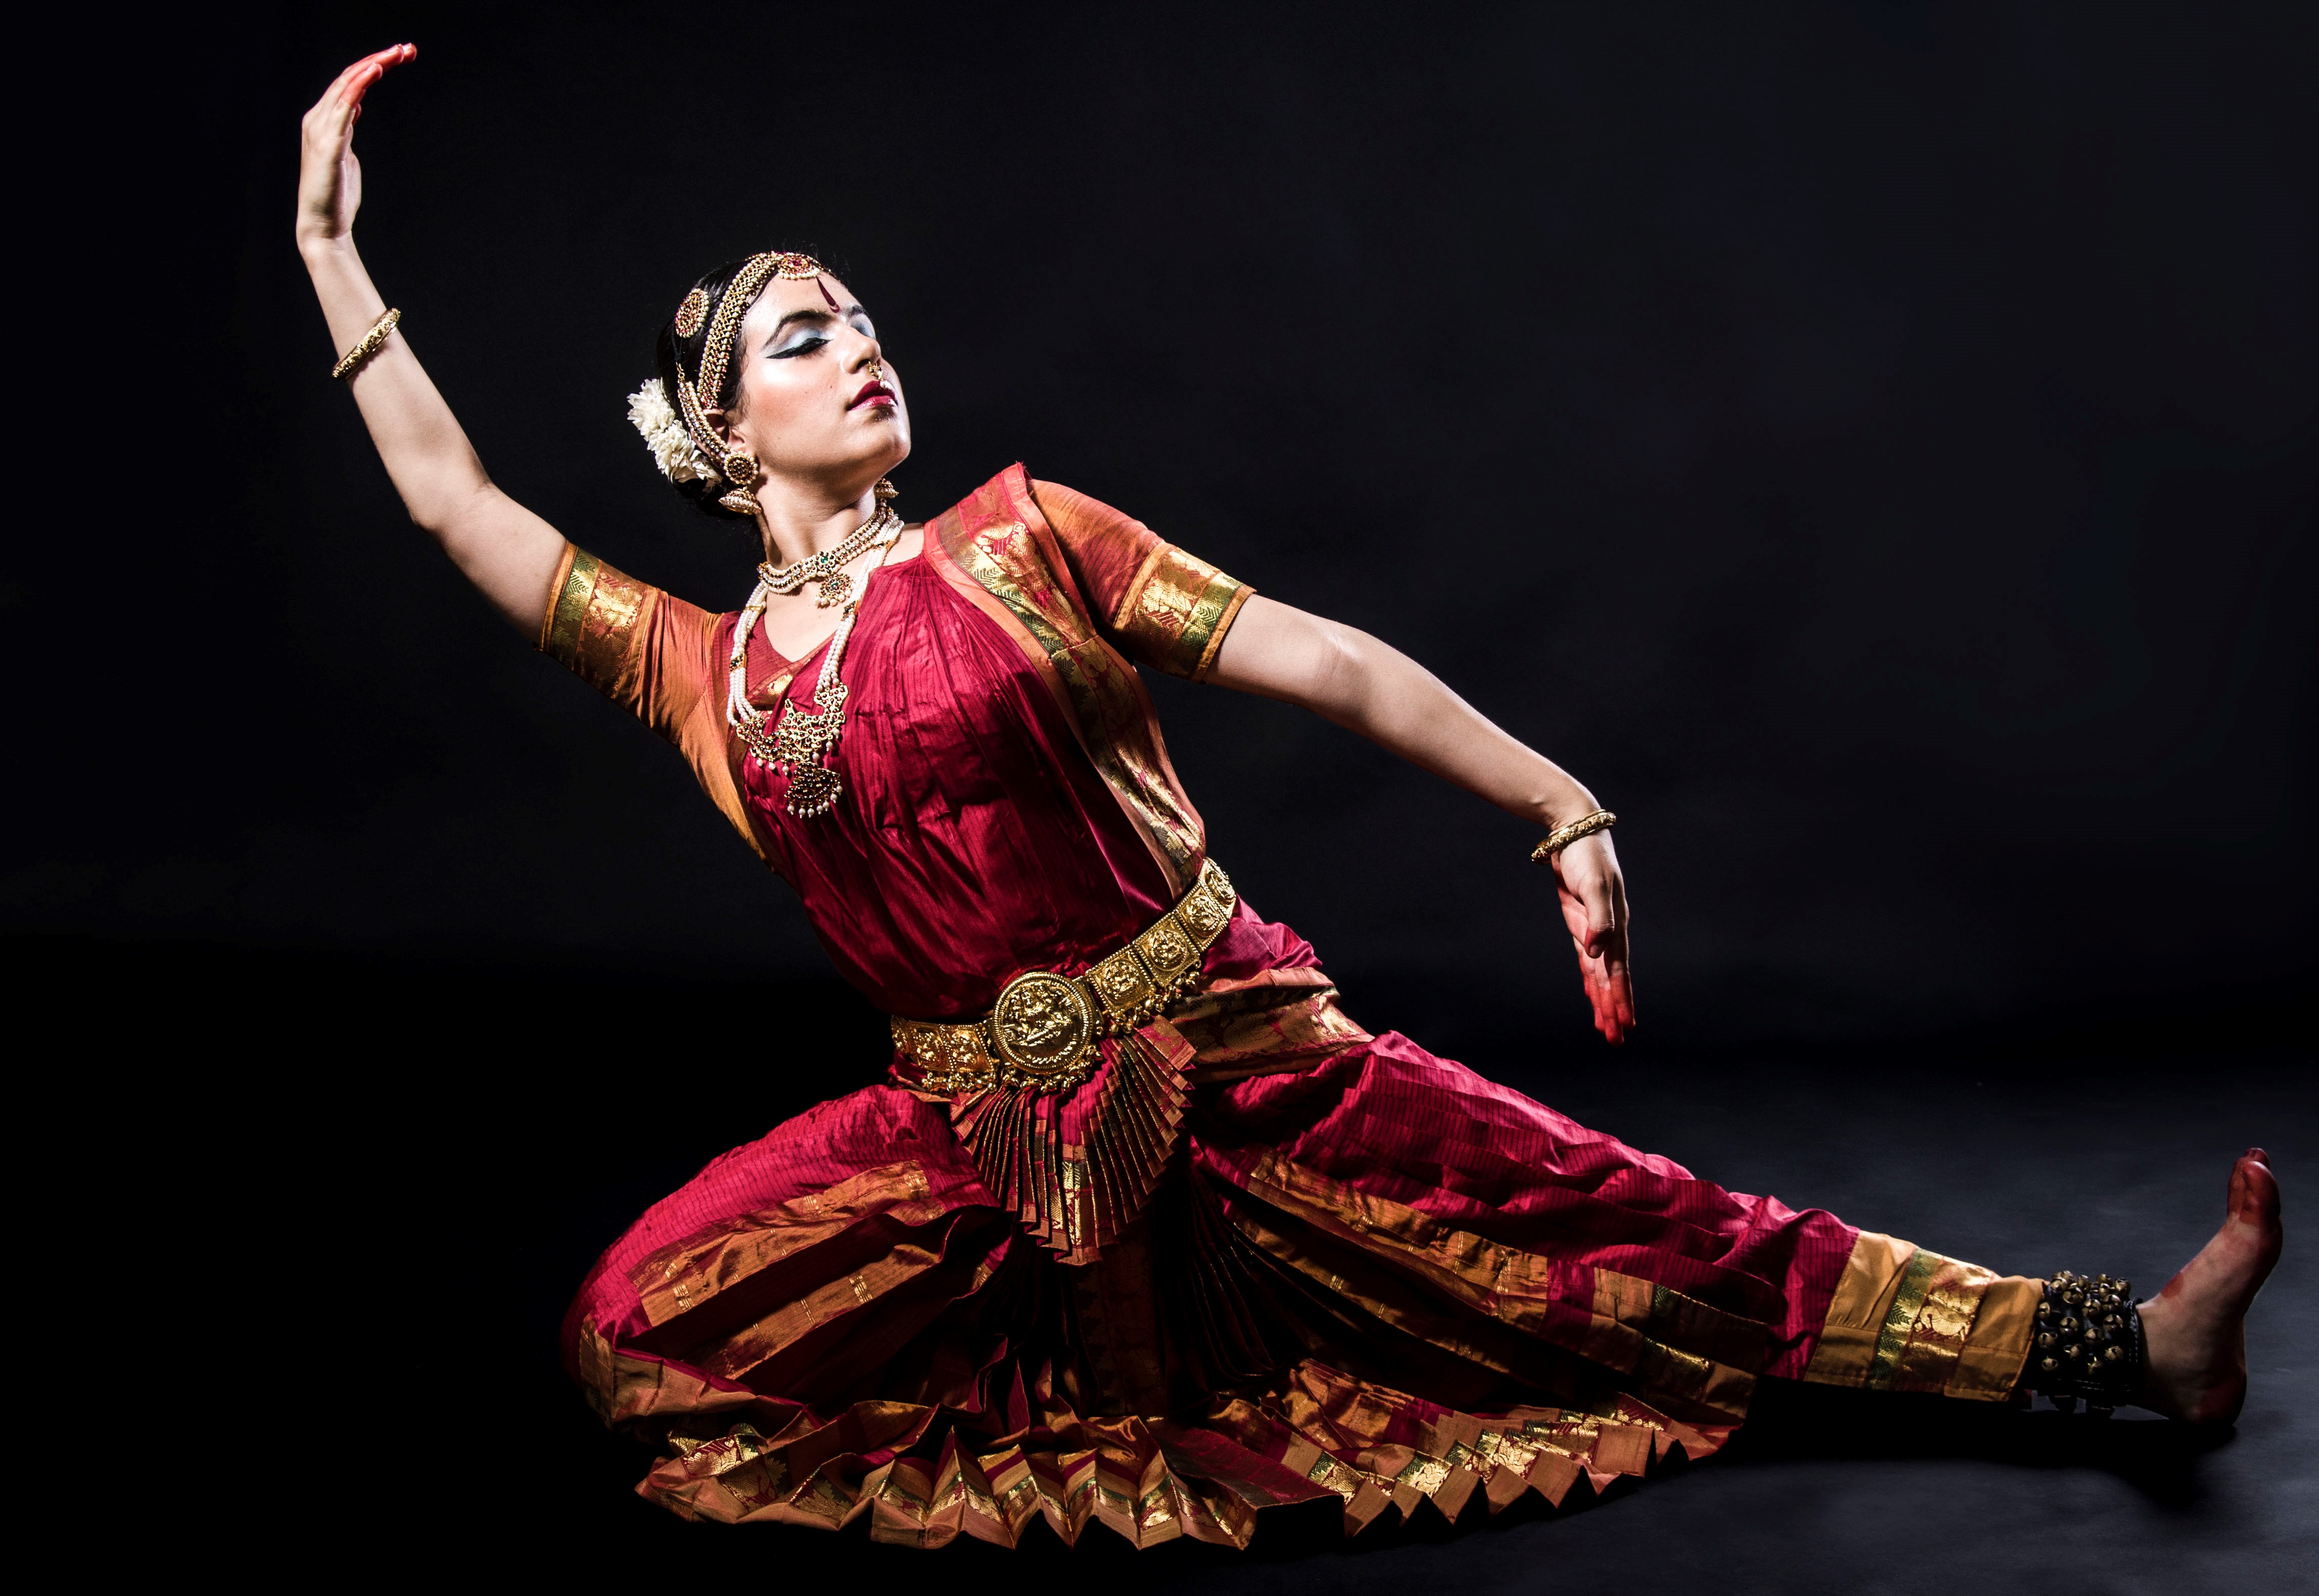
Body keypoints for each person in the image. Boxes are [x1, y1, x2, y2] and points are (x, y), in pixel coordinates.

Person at [297, 47, 2282, 1548]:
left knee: (1635, 1236)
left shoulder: (1022, 540)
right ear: (725, 433)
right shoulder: (700, 667)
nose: (863, 351)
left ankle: (2111, 1347)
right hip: (971, 1148)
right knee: (636, 1331)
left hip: (1235, 1057)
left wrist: (1556, 800)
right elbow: (455, 506)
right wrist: (332, 256)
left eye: (869, 321)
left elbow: (1321, 655)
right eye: (806, 337)